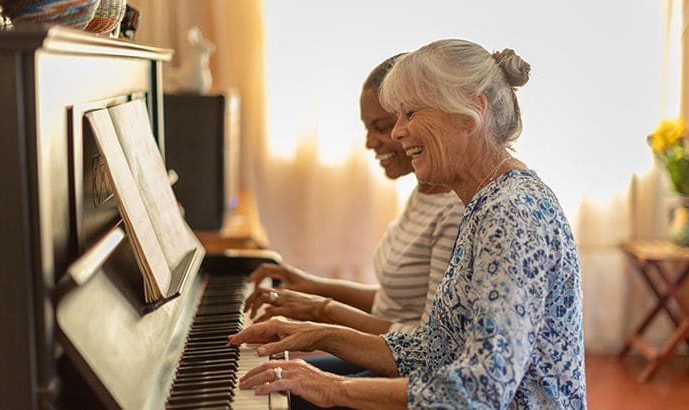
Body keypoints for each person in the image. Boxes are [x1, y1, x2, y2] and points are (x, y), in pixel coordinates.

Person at [229, 39, 587, 409]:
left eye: (410, 114)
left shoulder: (512, 214)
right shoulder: (487, 202)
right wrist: (317, 333)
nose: (398, 133)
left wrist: (333, 387)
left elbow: (481, 390)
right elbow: (435, 348)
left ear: (471, 112)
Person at [243, 54, 464, 342]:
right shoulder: (425, 190)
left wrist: (322, 311)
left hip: (403, 369)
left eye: (381, 127)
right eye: (367, 129)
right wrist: (310, 285)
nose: (369, 142)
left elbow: (426, 342)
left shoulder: (453, 212)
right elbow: (392, 305)